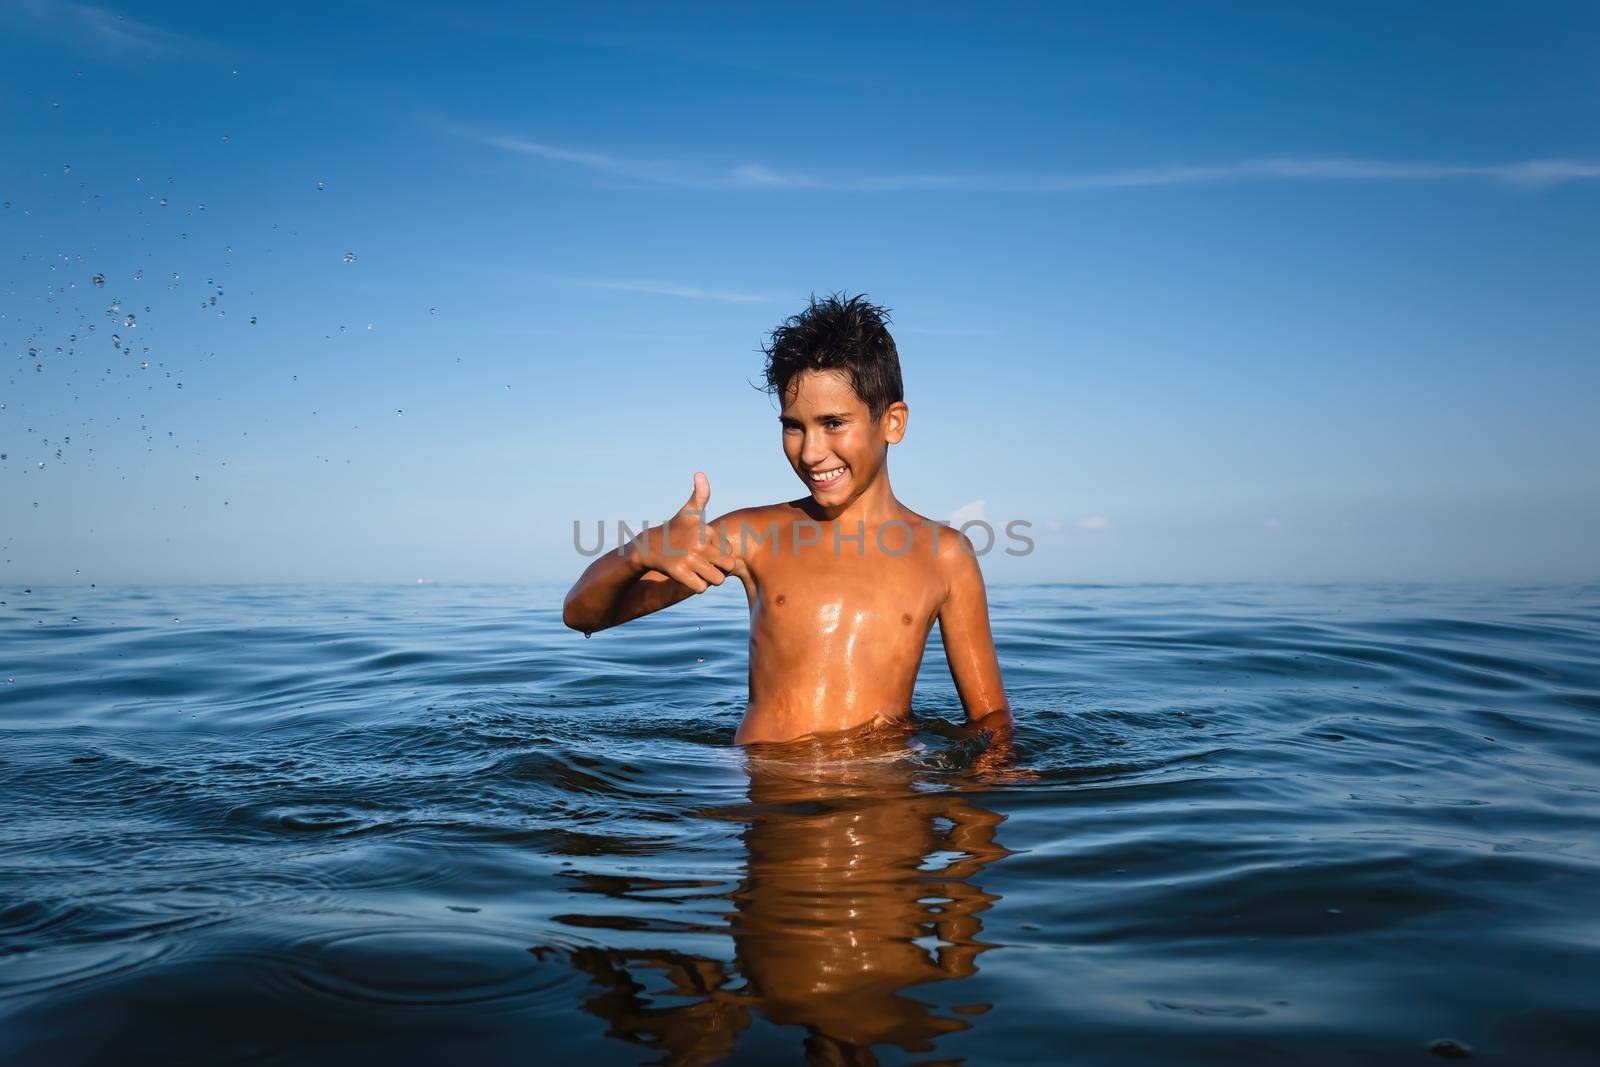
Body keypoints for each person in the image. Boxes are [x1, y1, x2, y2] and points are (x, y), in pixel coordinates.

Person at [562, 292, 1014, 746]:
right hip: (767, 791)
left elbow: (991, 717)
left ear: (893, 423)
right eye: (793, 426)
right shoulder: (751, 536)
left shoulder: (945, 555)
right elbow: (582, 616)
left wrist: (979, 793)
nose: (811, 452)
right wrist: (640, 551)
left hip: (885, 794)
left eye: (833, 423)